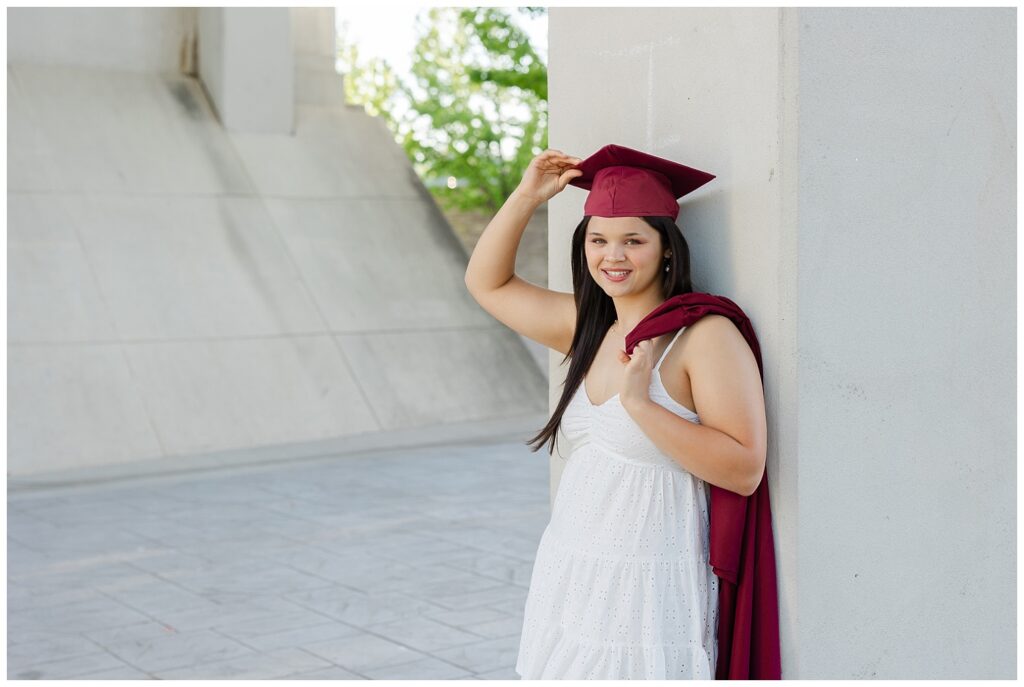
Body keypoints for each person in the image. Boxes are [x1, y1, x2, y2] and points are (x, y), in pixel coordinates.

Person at [464, 144, 770, 679]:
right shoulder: (588, 326)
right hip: (575, 562)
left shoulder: (702, 337)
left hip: (648, 581)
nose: (614, 256)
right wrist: (527, 195)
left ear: (667, 248)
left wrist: (638, 404)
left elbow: (744, 469)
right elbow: (486, 284)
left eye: (634, 240)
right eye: (599, 240)